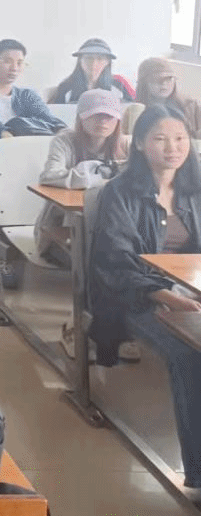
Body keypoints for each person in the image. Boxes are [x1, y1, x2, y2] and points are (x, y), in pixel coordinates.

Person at [89, 104, 201, 489]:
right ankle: (198, 472)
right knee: (190, 354)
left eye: (181, 138)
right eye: (160, 139)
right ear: (138, 143)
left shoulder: (196, 188)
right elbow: (115, 261)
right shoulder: (119, 193)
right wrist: (164, 294)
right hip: (136, 294)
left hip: (189, 289)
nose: (173, 148)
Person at [35, 89, 129, 265]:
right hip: (61, 226)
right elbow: (49, 176)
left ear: (118, 120)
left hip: (112, 226)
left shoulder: (127, 144)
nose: (103, 121)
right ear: (81, 118)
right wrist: (98, 180)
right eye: (95, 115)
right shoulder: (64, 141)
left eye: (109, 116)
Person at [0, 38, 65, 157]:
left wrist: (64, 132)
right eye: (7, 61)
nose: (14, 68)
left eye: (20, 63)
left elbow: (48, 119)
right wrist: (7, 136)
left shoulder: (28, 96)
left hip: (28, 157)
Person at [50, 38, 135, 104]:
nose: (94, 64)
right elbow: (55, 114)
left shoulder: (120, 84)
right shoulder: (66, 87)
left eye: (100, 59)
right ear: (80, 61)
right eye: (88, 58)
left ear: (108, 62)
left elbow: (136, 108)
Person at [134, 57, 201, 139]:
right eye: (156, 79)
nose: (164, 84)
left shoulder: (191, 106)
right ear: (144, 84)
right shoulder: (135, 110)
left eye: (169, 79)